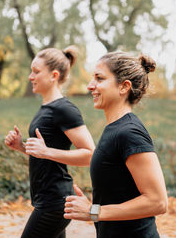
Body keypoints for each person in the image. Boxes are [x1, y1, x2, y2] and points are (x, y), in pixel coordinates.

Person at [64, 51, 168, 237]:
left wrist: (94, 211)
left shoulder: (129, 133)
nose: (90, 86)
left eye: (99, 78)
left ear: (123, 87)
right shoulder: (114, 129)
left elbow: (158, 201)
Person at [4, 46, 95, 238]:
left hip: (54, 201)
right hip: (46, 199)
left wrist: (46, 151)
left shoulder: (64, 109)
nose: (30, 76)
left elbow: (90, 154)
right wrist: (21, 146)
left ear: (54, 75)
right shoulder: (46, 108)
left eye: (36, 71)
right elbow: (45, 152)